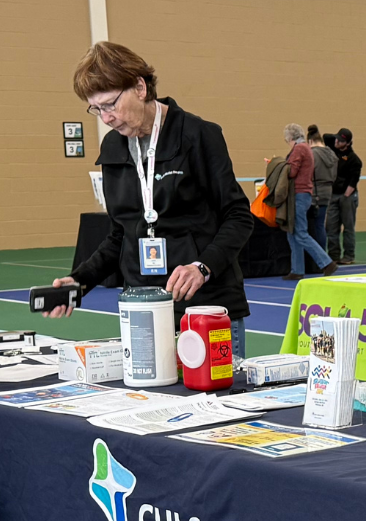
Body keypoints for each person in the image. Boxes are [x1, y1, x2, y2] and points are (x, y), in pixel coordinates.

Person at [53, 43, 253, 320]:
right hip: (142, 308)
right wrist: (79, 281)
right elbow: (119, 234)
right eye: (96, 109)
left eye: (110, 104)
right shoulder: (113, 147)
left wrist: (203, 267)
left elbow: (239, 216)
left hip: (205, 306)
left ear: (140, 87)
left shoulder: (198, 136)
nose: (106, 118)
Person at [282, 122, 336, 280]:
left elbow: (291, 171)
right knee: (292, 233)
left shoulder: (299, 148)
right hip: (303, 194)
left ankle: (326, 262)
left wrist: (277, 166)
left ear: (290, 137)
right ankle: (297, 269)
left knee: (300, 233)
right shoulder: (305, 147)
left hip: (299, 194)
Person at [327, 128, 362, 265]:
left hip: (347, 195)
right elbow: (326, 136)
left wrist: (346, 195)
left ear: (347, 143)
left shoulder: (354, 160)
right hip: (333, 195)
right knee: (331, 227)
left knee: (348, 227)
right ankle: (333, 255)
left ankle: (348, 255)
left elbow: (354, 181)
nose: (337, 141)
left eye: (340, 141)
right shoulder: (333, 149)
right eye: (337, 139)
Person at [306, 123, 337, 250]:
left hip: (314, 193)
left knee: (312, 227)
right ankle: (323, 255)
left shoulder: (312, 154)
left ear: (310, 141)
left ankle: (317, 258)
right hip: (327, 192)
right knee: (320, 225)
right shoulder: (332, 155)